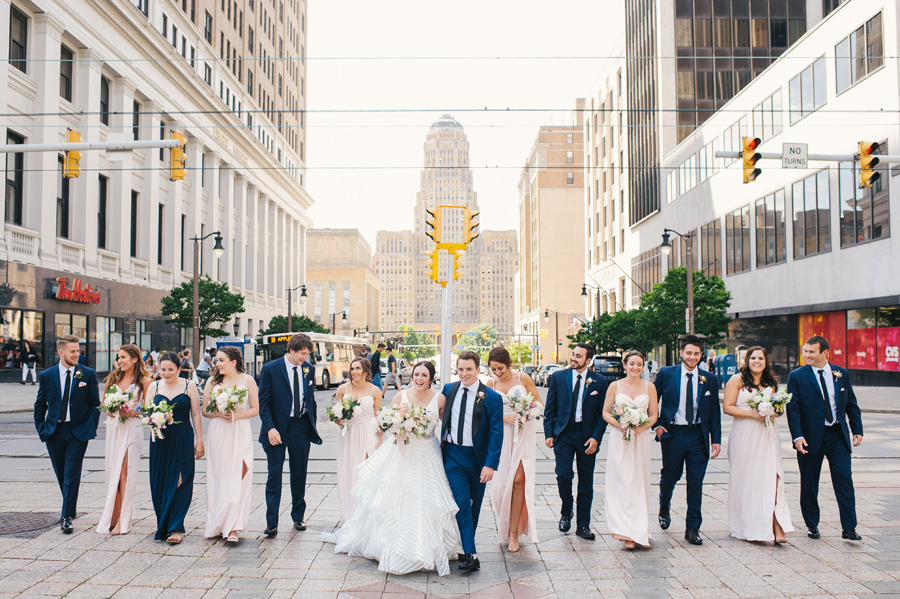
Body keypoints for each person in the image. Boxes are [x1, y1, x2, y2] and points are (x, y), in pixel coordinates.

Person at [323, 361, 460, 576]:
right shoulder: (400, 397)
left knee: (427, 498)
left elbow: (447, 425)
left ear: (431, 378)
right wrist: (397, 430)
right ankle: (395, 546)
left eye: (424, 375)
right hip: (403, 452)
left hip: (428, 453)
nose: (419, 379)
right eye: (416, 374)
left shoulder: (439, 398)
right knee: (397, 498)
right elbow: (385, 423)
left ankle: (428, 546)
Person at [787, 335, 863, 541]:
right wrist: (797, 436)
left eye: (812, 352)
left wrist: (857, 429)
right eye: (806, 351)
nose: (807, 355)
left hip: (837, 435)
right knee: (809, 483)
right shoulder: (797, 376)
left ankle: (849, 528)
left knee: (844, 480)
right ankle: (812, 524)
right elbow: (792, 409)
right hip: (810, 438)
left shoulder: (841, 374)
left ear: (825, 353)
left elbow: (851, 404)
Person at [653, 334, 721, 546]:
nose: (692, 357)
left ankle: (692, 528)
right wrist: (656, 426)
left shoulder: (709, 378)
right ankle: (664, 505)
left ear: (701, 355)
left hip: (697, 436)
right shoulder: (666, 373)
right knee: (670, 477)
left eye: (696, 354)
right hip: (672, 434)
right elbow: (651, 400)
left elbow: (715, 412)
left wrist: (715, 439)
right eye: (688, 353)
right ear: (681, 353)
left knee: (695, 482)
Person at [723, 346, 794, 544]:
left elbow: (779, 409)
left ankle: (775, 523)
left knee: (769, 478)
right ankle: (747, 524)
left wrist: (774, 412)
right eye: (753, 357)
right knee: (747, 480)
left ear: (766, 361)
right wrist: (755, 414)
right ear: (747, 360)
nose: (757, 361)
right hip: (744, 434)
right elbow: (727, 407)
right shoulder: (737, 380)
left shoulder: (771, 382)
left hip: (767, 434)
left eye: (760, 358)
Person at [441, 351, 503, 572]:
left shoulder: (492, 398)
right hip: (453, 456)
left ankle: (467, 548)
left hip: (478, 460)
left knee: (474, 505)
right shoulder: (449, 390)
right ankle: (471, 553)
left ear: (478, 370)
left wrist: (490, 464)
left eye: (469, 369)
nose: (464, 374)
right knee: (461, 504)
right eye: (460, 369)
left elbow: (497, 433)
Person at [33, 335, 100, 534]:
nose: (76, 354)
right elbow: (40, 405)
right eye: (72, 351)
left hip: (78, 432)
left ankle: (66, 517)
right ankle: (70, 508)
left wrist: (90, 427)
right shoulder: (47, 375)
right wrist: (41, 428)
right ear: (60, 352)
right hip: (54, 432)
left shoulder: (87, 374)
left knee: (72, 474)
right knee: (61, 473)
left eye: (78, 351)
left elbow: (94, 404)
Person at [258, 333, 322, 536]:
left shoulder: (308, 369)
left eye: (308, 354)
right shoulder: (270, 369)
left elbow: (309, 399)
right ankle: (271, 523)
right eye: (303, 353)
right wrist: (270, 428)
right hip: (276, 429)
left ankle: (298, 517)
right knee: (274, 476)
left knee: (299, 474)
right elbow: (263, 403)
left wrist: (312, 422)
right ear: (292, 350)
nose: (306, 358)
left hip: (301, 428)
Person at [543, 343, 608, 541]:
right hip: (564, 434)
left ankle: (583, 525)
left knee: (586, 482)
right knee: (563, 475)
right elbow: (550, 408)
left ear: (588, 360)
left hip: (587, 436)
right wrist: (549, 433)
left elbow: (602, 415)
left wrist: (596, 438)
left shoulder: (599, 381)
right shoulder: (558, 377)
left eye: (578, 356)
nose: (573, 358)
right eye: (573, 354)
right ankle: (566, 510)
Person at [486, 347, 542, 552]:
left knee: (519, 481)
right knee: (501, 487)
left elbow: (538, 404)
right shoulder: (490, 384)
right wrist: (502, 417)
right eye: (493, 369)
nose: (497, 372)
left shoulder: (523, 379)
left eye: (500, 368)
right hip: (501, 436)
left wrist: (527, 413)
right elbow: (483, 412)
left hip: (522, 433)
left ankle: (514, 535)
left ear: (508, 363)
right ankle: (507, 525)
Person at [202, 346, 259, 543]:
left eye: (220, 360)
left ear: (233, 362)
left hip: (240, 430)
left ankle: (234, 526)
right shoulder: (212, 381)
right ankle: (219, 524)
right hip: (219, 431)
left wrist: (236, 415)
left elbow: (255, 409)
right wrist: (219, 413)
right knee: (219, 476)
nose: (217, 364)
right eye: (216, 360)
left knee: (240, 474)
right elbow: (205, 411)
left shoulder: (248, 380)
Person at [603, 350, 658, 549]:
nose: (636, 367)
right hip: (620, 438)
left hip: (640, 439)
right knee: (623, 480)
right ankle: (625, 531)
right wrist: (621, 426)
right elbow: (606, 413)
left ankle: (639, 528)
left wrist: (639, 428)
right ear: (625, 365)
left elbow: (653, 416)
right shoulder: (614, 386)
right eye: (632, 364)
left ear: (643, 367)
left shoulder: (649, 387)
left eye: (639, 364)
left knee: (639, 481)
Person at [148, 352, 204, 543]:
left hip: (183, 438)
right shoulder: (153, 386)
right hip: (160, 440)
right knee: (161, 481)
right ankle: (163, 523)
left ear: (180, 369)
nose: (166, 373)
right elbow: (147, 414)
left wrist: (200, 440)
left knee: (181, 480)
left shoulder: (189, 386)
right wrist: (153, 423)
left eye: (170, 369)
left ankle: (176, 527)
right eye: (163, 369)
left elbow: (196, 414)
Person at [97, 345, 152, 535]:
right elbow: (104, 404)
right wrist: (112, 409)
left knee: (125, 473)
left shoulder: (145, 381)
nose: (120, 361)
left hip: (132, 429)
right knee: (113, 471)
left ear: (135, 359)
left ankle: (123, 519)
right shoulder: (113, 379)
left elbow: (149, 409)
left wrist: (132, 411)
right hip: (115, 429)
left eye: (123, 357)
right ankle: (115, 512)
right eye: (118, 357)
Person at [333, 357, 383, 522]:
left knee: (364, 474)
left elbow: (379, 418)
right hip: (348, 435)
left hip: (367, 433)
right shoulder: (343, 388)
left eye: (358, 369)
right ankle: (349, 517)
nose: (354, 372)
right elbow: (335, 412)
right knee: (347, 472)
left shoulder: (374, 391)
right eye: (352, 368)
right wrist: (338, 419)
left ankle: (363, 517)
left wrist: (380, 441)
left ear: (366, 371)